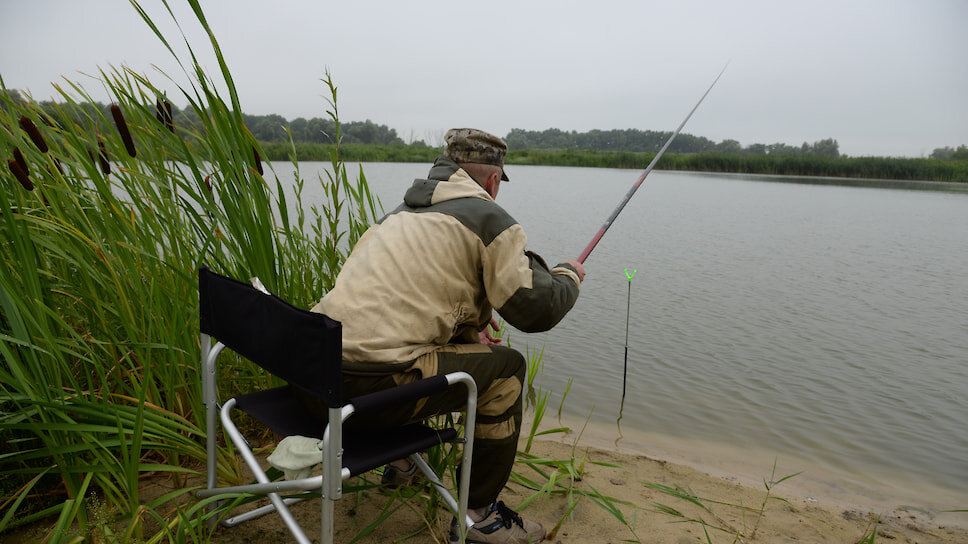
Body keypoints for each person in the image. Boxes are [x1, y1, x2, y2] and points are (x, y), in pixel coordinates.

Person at [302, 128, 585, 543]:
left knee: (429, 349)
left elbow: (406, 301)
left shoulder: (395, 217)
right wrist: (567, 277)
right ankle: (478, 516)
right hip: (367, 395)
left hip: (312, 381)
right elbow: (535, 310)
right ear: (492, 180)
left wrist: (468, 325)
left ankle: (400, 464)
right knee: (507, 370)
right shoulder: (490, 218)